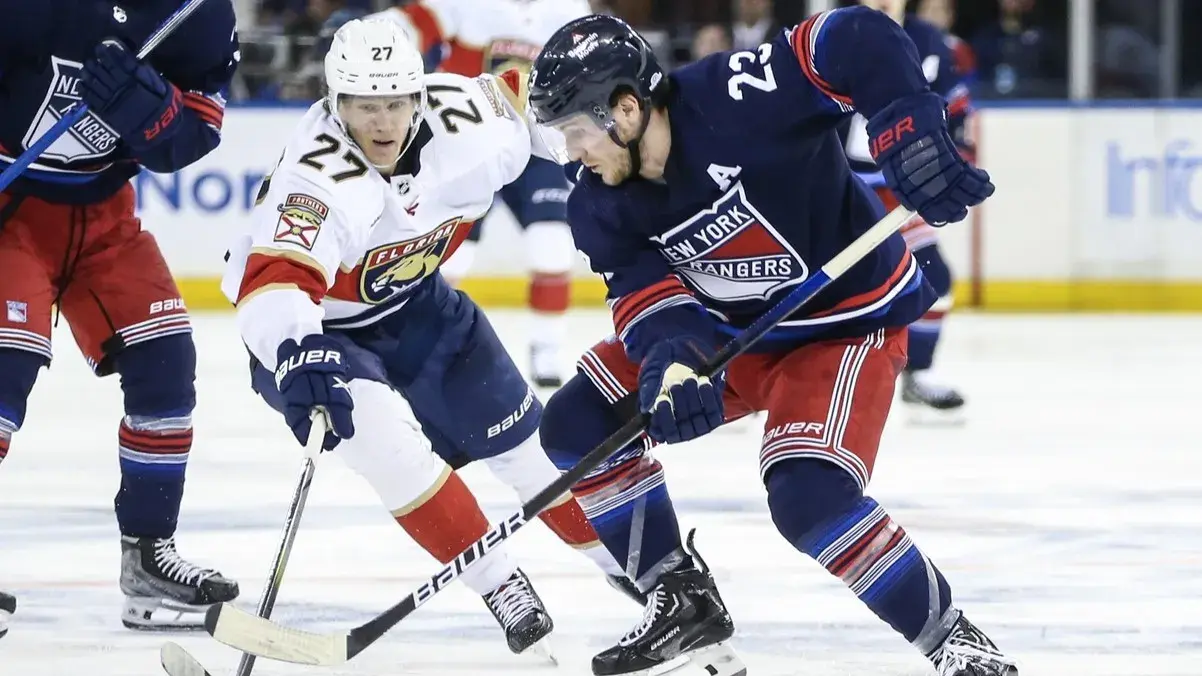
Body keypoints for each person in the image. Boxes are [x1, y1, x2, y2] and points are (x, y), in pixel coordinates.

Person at [530, 10, 1015, 676]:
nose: (572, 153)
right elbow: (648, 300)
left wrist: (903, 124)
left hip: (844, 324)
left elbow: (856, 36)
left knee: (808, 496)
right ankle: (680, 598)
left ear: (626, 108)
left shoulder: (735, 95)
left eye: (577, 133)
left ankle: (952, 639)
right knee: (576, 424)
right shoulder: (597, 200)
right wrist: (671, 363)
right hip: (729, 338)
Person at [221, 17, 622, 656]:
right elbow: (275, 283)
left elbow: (535, 100)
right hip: (323, 332)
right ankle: (499, 581)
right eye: (362, 106)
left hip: (418, 307)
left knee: (532, 454)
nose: (380, 123)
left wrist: (617, 146)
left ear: (419, 96)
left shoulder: (475, 125)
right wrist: (296, 355)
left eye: (394, 103)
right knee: (389, 446)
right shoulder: (317, 180)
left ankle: (647, 575)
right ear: (334, 103)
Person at [0, 0, 241, 630]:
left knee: (165, 363)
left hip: (104, 212)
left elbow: (192, 137)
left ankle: (149, 561)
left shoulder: (200, 14)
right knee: (3, 369)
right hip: (10, 209)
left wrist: (154, 114)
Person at [372, 0, 593, 387]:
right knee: (448, 259)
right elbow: (415, 23)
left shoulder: (570, 6)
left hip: (537, 142)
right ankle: (418, 345)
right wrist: (373, 37)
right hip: (468, 139)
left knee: (553, 243)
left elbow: (586, 68)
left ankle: (547, 352)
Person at [847, 0, 979, 418]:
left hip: (899, 188)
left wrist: (957, 157)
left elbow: (955, 107)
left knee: (934, 276)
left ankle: (917, 375)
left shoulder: (928, 40)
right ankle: (745, 380)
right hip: (838, 186)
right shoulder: (830, 36)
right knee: (791, 283)